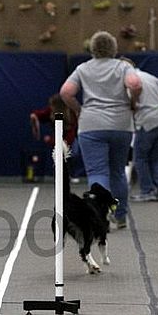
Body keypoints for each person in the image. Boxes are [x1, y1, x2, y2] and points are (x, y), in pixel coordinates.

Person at [60, 31, 141, 229]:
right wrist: (132, 101)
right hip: (121, 125)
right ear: (113, 48)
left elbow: (66, 92)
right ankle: (120, 216)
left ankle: (100, 216)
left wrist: (79, 110)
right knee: (118, 172)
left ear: (92, 49)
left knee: (97, 172)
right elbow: (135, 83)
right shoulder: (122, 66)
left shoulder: (83, 68)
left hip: (91, 125)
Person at [126, 62, 158, 202]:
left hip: (147, 122)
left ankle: (147, 191)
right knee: (154, 157)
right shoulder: (149, 76)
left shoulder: (129, 81)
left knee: (140, 158)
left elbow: (132, 104)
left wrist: (138, 104)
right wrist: (154, 103)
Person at [29, 93, 84, 183]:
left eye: (52, 104)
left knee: (73, 153)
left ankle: (72, 174)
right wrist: (34, 115)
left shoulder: (71, 113)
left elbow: (71, 134)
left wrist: (52, 141)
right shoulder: (51, 110)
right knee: (58, 157)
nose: (50, 106)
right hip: (58, 137)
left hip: (70, 138)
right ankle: (60, 176)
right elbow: (40, 115)